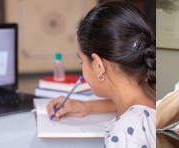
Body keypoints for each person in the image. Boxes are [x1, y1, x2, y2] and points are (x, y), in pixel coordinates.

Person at [45, 1, 155, 147]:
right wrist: (85, 106)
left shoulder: (125, 135)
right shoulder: (153, 95)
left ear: (98, 65)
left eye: (82, 61)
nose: (82, 68)